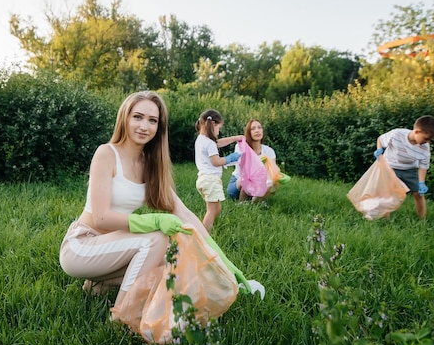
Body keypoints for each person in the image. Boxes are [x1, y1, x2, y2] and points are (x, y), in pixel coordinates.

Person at [58, 91, 237, 312]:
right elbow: (101, 216)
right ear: (125, 117)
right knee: (156, 238)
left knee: (175, 259)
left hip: (114, 249)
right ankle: (122, 315)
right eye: (138, 117)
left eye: (152, 120)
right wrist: (155, 220)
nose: (144, 126)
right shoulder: (106, 154)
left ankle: (99, 284)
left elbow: (184, 214)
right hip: (82, 247)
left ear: (159, 127)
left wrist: (223, 261)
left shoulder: (150, 164)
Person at [374, 115, 434, 219]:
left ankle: (422, 219)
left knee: (418, 194)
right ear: (417, 131)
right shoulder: (397, 134)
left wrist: (421, 183)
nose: (427, 142)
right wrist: (379, 150)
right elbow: (380, 139)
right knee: (387, 193)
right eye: (426, 138)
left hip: (410, 170)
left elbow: (423, 165)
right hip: (390, 167)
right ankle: (385, 220)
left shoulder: (424, 147)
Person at [194, 109, 242, 232]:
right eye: (219, 128)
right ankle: (204, 236)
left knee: (216, 209)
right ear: (213, 124)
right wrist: (230, 158)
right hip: (211, 180)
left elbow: (218, 143)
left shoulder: (201, 139)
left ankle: (204, 229)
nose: (219, 132)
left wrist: (236, 138)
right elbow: (216, 161)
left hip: (204, 180)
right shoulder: (209, 143)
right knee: (211, 211)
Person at [227, 119, 277, 202]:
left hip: (258, 184)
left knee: (272, 181)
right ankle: (241, 203)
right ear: (248, 132)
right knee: (248, 177)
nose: (257, 130)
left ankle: (256, 202)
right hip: (237, 186)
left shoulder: (269, 151)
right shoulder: (241, 147)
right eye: (253, 129)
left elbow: (273, 171)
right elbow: (245, 170)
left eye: (259, 128)